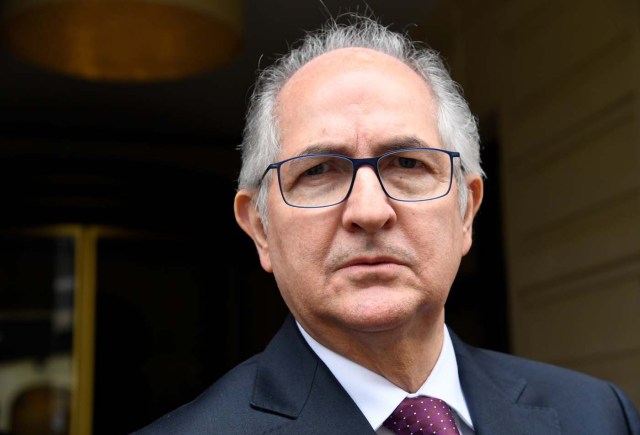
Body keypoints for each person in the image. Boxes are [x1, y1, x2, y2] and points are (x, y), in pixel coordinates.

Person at [133, 13, 640, 434]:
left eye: (407, 164)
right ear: (260, 229)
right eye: (319, 171)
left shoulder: (598, 415)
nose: (370, 211)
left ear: (466, 210)